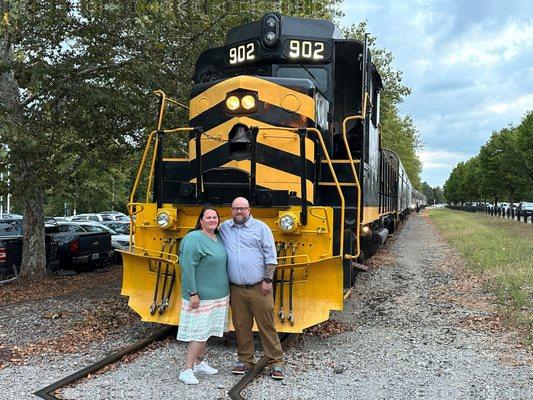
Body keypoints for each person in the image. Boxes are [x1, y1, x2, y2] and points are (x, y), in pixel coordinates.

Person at [219, 197, 284, 380]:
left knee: (266, 325)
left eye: (242, 209)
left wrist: (267, 280)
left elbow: (271, 256)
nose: (239, 212)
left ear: (249, 210)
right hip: (236, 288)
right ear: (231, 210)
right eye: (235, 209)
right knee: (241, 326)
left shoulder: (261, 228)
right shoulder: (224, 228)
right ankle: (245, 360)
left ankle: (275, 361)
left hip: (259, 287)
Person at [177, 206, 229, 385]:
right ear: (201, 221)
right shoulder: (194, 239)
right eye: (209, 218)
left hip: (218, 296)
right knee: (199, 333)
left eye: (215, 217)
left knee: (206, 331)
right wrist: (193, 293)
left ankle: (199, 364)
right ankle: (187, 369)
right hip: (201, 297)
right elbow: (187, 267)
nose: (213, 220)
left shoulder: (217, 237)